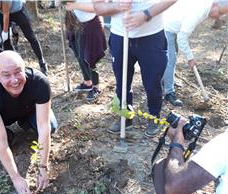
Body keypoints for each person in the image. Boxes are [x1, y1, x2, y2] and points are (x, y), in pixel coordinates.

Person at [0, 51, 58, 194]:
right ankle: (12, 135)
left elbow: (44, 127)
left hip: (29, 110)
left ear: (24, 69)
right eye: (6, 75)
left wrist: (43, 167)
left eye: (18, 72)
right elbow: (0, 141)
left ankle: (26, 123)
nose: (14, 80)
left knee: (51, 126)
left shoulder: (40, 82)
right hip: (2, 115)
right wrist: (16, 177)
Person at [93, 0, 177, 137]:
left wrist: (146, 14)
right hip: (120, 36)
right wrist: (117, 6)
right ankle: (125, 116)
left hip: (152, 36)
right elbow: (98, 7)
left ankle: (154, 116)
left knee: (152, 83)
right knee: (122, 81)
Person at [162, 0, 228, 107]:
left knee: (172, 56)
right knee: (170, 59)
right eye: (220, 13)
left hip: (173, 26)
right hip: (166, 26)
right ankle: (169, 92)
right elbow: (182, 38)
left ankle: (166, 81)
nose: (218, 17)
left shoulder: (205, 6)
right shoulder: (199, 11)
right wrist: (190, 58)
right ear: (215, 4)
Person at [0, 0, 48, 75]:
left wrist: (5, 32)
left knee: (30, 36)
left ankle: (41, 62)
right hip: (2, 13)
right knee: (5, 41)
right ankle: (13, 64)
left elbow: (6, 15)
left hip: (17, 10)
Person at [64, 0, 107, 101]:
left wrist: (75, 5)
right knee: (79, 55)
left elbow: (98, 6)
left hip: (90, 24)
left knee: (89, 58)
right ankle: (87, 82)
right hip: (74, 23)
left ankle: (96, 86)